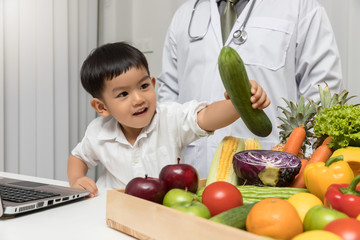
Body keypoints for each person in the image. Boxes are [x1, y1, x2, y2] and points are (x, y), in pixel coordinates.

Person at [157, 0, 344, 178]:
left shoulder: (300, 7)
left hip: (271, 167)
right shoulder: (185, 15)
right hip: (194, 169)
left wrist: (307, 168)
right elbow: (168, 98)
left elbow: (322, 92)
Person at [67, 42, 270, 197]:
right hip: (110, 208)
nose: (138, 99)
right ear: (101, 107)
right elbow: (78, 158)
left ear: (153, 83)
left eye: (143, 86)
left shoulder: (170, 118)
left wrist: (240, 100)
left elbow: (207, 117)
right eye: (123, 94)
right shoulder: (98, 132)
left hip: (163, 211)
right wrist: (77, 179)